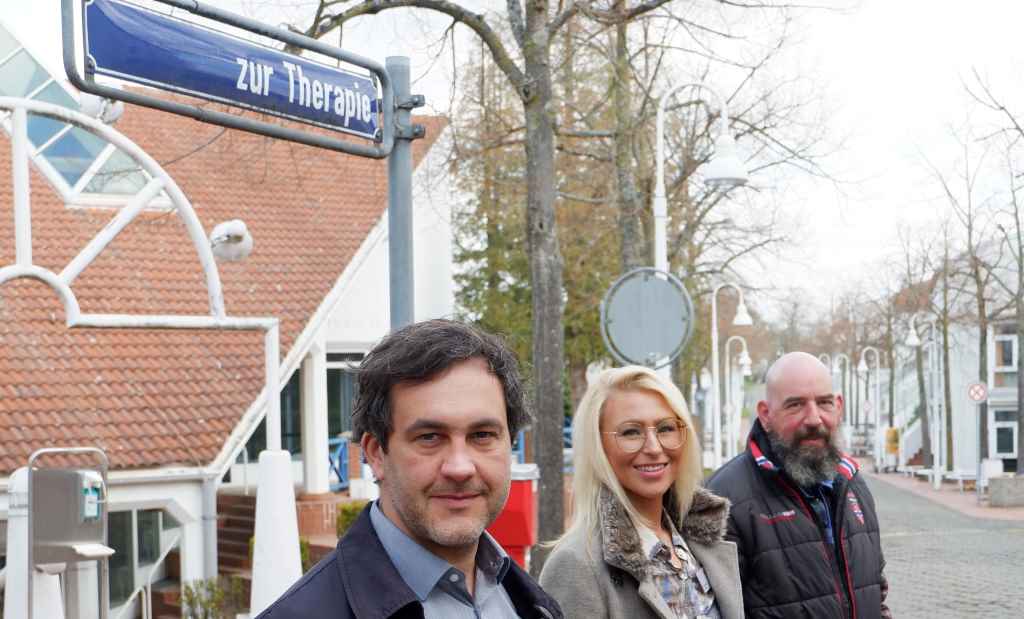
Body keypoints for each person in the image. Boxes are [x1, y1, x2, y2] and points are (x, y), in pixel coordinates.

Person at [257, 319, 563, 619]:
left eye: (482, 435)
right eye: (429, 437)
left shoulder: (533, 606)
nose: (459, 467)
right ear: (376, 454)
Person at [540, 365, 743, 619]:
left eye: (666, 428)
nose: (654, 447)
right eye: (631, 432)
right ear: (598, 447)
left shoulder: (697, 539)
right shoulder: (576, 564)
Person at [707, 352, 891, 619]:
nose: (814, 419)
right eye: (795, 405)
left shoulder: (854, 485)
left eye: (824, 403)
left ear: (839, 406)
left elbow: (876, 592)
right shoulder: (723, 500)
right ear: (765, 414)